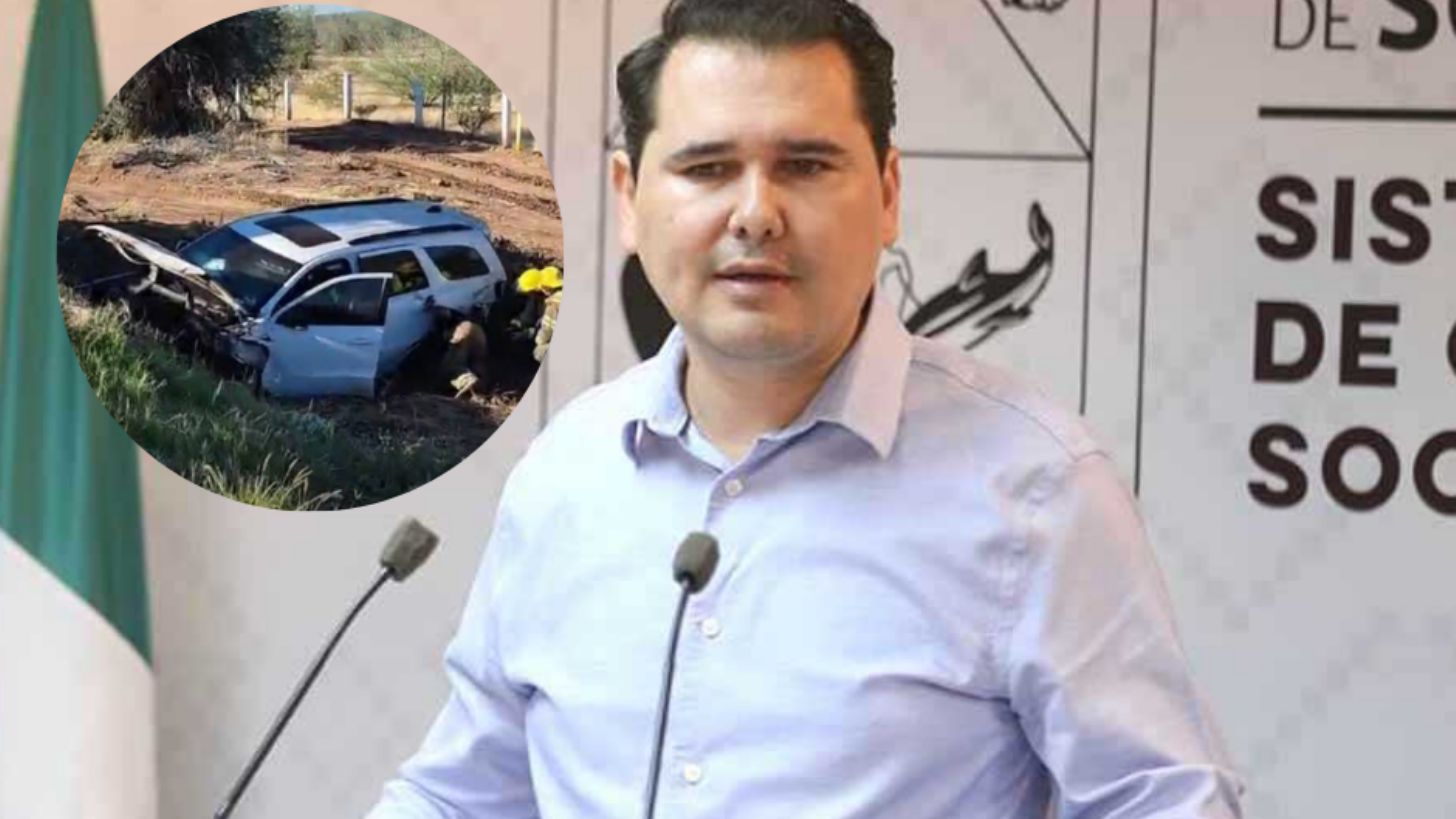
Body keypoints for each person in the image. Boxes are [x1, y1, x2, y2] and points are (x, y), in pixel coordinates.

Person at [368, 0, 1245, 816]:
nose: (756, 214)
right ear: (629, 199)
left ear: (889, 192)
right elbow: (461, 797)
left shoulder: (1034, 488)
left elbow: (1167, 801)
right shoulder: (569, 468)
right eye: (708, 168)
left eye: (806, 165)